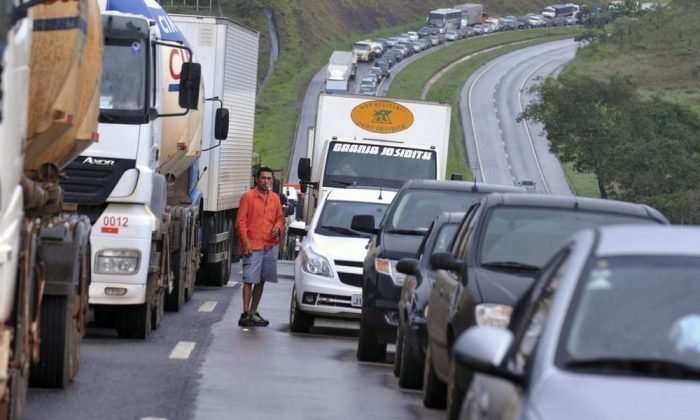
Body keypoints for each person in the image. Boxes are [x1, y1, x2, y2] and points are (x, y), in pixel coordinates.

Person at [235, 167, 285, 327]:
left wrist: (278, 227)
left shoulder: (275, 198)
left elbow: (280, 219)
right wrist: (246, 242)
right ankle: (245, 313)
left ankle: (253, 312)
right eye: (263, 178)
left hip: (270, 246)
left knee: (261, 280)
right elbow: (240, 222)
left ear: (272, 180)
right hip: (253, 246)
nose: (266, 181)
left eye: (269, 178)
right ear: (257, 179)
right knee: (249, 279)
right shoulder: (248, 197)